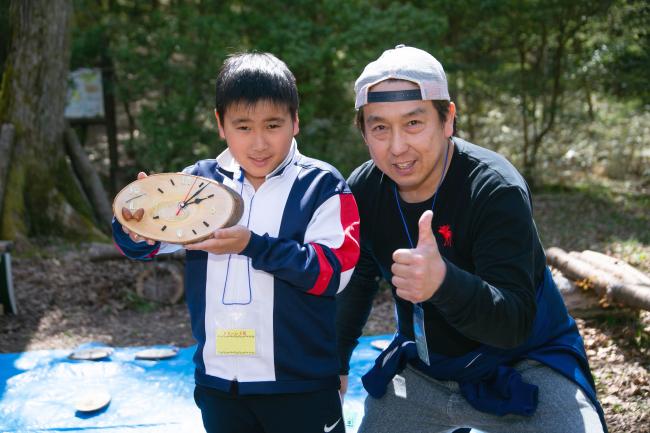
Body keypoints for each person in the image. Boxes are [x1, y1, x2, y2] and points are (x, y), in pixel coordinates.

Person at [336, 45, 607, 433]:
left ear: (448, 119)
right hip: (424, 369)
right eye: (380, 127)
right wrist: (335, 364)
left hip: (526, 361)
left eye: (414, 123)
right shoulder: (363, 190)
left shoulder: (495, 189)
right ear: (363, 132)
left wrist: (442, 283)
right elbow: (357, 282)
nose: (397, 147)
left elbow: (513, 322)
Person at [113, 52, 359, 433]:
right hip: (220, 385)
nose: (258, 143)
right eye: (243, 126)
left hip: (302, 385)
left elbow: (333, 272)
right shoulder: (197, 184)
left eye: (273, 125)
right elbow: (151, 243)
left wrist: (252, 245)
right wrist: (135, 226)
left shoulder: (322, 185)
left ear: (295, 121)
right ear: (220, 125)